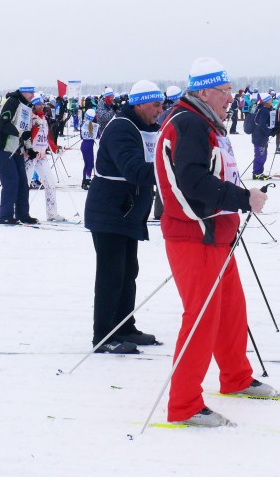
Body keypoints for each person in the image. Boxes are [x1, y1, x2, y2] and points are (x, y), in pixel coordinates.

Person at [155, 57, 280, 427]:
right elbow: (192, 182)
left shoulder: (206, 124)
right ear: (205, 91)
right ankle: (184, 405)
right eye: (225, 91)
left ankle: (236, 377)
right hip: (194, 235)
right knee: (202, 318)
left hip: (215, 235)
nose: (231, 98)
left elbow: (212, 175)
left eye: (231, 90)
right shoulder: (190, 123)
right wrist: (243, 199)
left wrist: (241, 196)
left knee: (230, 310)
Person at [84, 80, 163, 354]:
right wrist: (173, 169)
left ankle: (124, 326)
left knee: (129, 271)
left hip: (129, 212)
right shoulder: (120, 128)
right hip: (109, 211)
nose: (160, 110)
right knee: (111, 274)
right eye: (156, 104)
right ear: (139, 103)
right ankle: (103, 336)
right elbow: (134, 170)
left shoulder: (147, 127)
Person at [0, 80, 37, 224]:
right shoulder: (12, 102)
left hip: (17, 148)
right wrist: (19, 134)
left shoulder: (28, 107)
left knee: (23, 182)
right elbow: (4, 122)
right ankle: (5, 215)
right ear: (23, 91)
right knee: (11, 181)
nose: (32, 95)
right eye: (30, 92)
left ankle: (22, 214)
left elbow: (26, 131)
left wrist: (29, 147)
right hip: (2, 147)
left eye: (33, 92)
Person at [25, 94, 66, 221]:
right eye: (39, 104)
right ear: (33, 105)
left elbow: (47, 138)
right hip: (30, 156)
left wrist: (55, 148)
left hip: (42, 156)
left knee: (51, 184)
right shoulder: (30, 117)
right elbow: (28, 136)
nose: (42, 106)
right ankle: (20, 212)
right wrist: (36, 125)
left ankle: (52, 214)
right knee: (24, 186)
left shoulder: (43, 118)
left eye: (42, 104)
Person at [251, 93, 274, 180]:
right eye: (270, 100)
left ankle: (259, 171)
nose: (272, 101)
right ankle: (257, 173)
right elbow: (261, 124)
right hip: (259, 137)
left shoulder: (264, 109)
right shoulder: (263, 110)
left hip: (261, 136)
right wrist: (268, 132)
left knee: (262, 155)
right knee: (260, 155)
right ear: (266, 102)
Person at [80, 108, 98, 190]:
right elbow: (97, 135)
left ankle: (84, 181)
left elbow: (81, 136)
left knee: (86, 164)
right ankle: (87, 181)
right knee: (90, 164)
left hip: (84, 145)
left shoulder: (83, 124)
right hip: (89, 146)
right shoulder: (93, 125)